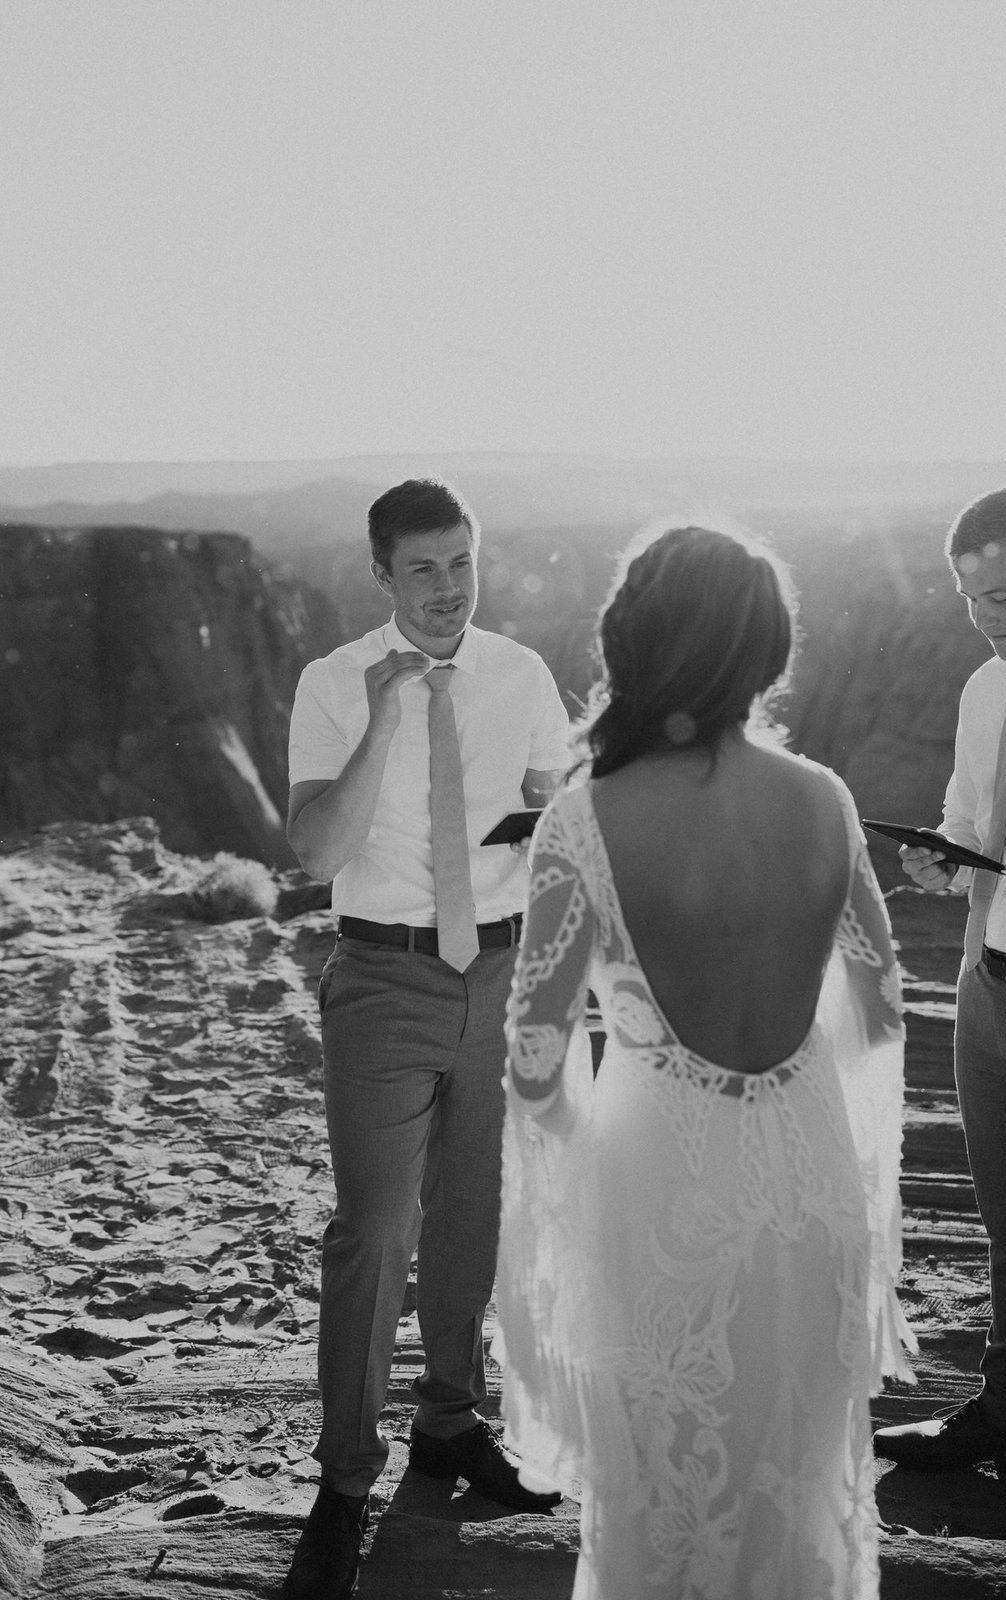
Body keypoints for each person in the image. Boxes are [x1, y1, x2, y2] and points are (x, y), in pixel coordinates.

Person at [493, 522, 915, 1600]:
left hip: (661, 1204)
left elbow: (534, 1057)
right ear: (763, 650)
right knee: (797, 1492)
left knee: (664, 1512)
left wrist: (583, 1165)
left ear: (634, 643)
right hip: (812, 1185)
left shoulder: (584, 820)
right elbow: (877, 1000)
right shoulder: (822, 797)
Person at [281, 478, 571, 1600]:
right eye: (423, 569)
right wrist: (390, 715)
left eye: (461, 563)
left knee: (470, 1212)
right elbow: (314, 850)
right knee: (371, 1228)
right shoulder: (329, 685)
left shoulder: (523, 675)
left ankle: (448, 1421)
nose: (448, 588)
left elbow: (549, 813)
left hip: (499, 968)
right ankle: (346, 1474)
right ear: (382, 577)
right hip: (382, 977)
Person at [874, 482, 1006, 1474]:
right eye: (965, 596)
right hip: (986, 991)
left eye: (999, 594)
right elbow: (967, 821)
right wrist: (937, 858)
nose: (979, 616)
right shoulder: (985, 686)